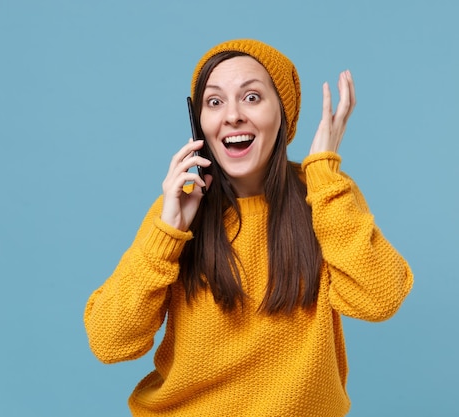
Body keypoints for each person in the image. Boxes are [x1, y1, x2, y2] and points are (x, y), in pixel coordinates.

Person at [84, 39, 413, 416]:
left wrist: (322, 171)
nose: (233, 116)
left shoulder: (325, 195)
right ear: (199, 123)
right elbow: (110, 342)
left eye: (252, 97)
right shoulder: (178, 210)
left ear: (283, 113)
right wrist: (167, 233)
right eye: (214, 101)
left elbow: (378, 299)